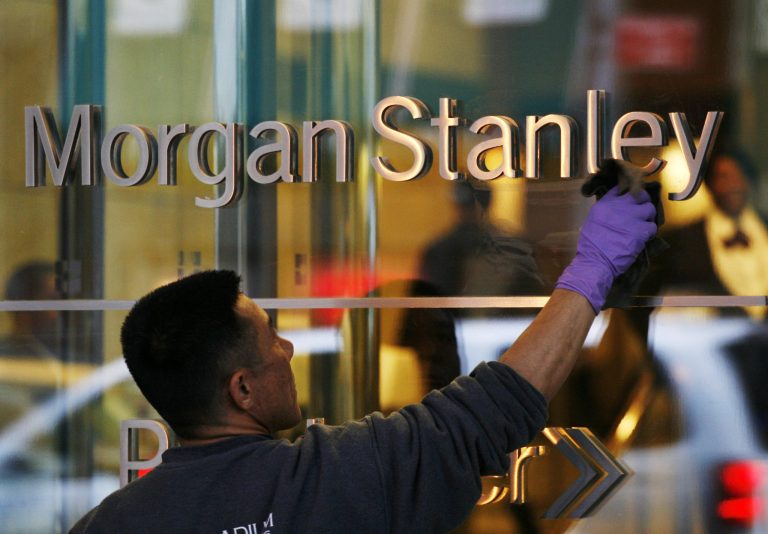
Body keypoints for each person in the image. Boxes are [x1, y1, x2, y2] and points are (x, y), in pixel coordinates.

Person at [70, 185, 657, 533]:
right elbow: (494, 407)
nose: (289, 348)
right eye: (272, 337)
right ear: (242, 390)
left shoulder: (111, 526)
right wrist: (594, 268)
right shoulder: (332, 479)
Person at [652, 148, 768, 320]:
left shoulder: (764, 225)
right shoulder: (681, 240)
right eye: (724, 177)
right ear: (709, 185)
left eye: (739, 175)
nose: (734, 185)